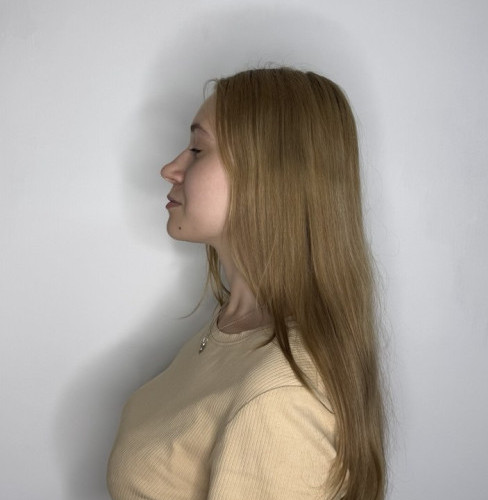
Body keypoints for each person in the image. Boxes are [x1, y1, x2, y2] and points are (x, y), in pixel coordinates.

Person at [107, 67, 386, 500]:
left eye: (197, 149)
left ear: (269, 175)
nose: (169, 169)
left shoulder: (280, 398)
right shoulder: (233, 326)